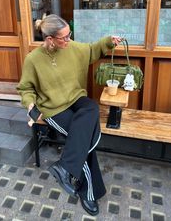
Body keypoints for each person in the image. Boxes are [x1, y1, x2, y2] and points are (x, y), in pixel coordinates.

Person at [17, 14, 123, 216]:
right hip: (54, 108)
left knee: (91, 108)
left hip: (76, 99)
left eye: (69, 35)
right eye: (64, 37)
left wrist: (108, 41)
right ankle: (89, 193)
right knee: (83, 142)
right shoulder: (33, 60)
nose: (69, 40)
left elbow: (91, 50)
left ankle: (65, 167)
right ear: (49, 39)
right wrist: (30, 105)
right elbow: (25, 88)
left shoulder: (72, 47)